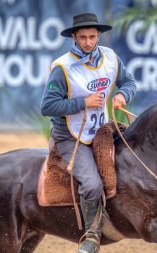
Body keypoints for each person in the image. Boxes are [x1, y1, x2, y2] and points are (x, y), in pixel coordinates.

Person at [40, 12, 136, 253]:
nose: (88, 42)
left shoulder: (111, 58)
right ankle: (92, 236)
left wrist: (123, 95)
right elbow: (47, 106)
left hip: (102, 130)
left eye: (92, 37)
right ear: (74, 37)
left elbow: (129, 82)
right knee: (93, 185)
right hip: (70, 136)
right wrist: (83, 103)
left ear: (99, 36)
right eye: (82, 37)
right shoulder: (62, 67)